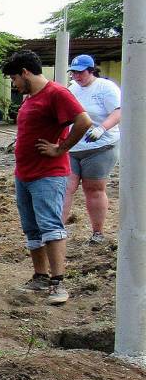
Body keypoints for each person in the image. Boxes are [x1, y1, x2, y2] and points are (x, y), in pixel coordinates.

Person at [1, 50, 92, 305]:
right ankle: (40, 277)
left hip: (48, 175)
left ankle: (58, 282)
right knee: (32, 229)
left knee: (51, 227)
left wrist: (61, 148)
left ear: (25, 72)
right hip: (25, 174)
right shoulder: (31, 98)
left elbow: (84, 121)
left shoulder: (57, 93)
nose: (14, 85)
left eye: (14, 79)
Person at [62, 54, 121, 244]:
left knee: (93, 188)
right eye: (74, 73)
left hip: (100, 146)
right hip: (74, 146)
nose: (77, 77)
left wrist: (102, 128)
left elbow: (118, 111)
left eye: (81, 73)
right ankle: (56, 231)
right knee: (65, 187)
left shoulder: (106, 87)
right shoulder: (72, 89)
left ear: (90, 70)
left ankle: (97, 232)